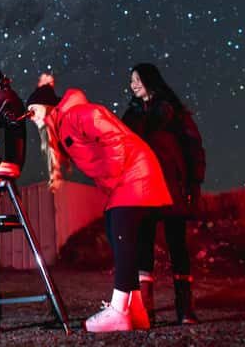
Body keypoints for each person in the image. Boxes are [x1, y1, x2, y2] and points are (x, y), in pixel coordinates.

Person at [25, 73, 173, 332]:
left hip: (132, 173)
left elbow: (113, 138)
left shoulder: (78, 114)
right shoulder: (62, 125)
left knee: (122, 238)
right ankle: (135, 310)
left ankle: (119, 310)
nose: (31, 117)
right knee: (117, 233)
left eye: (33, 110)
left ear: (47, 106)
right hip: (128, 175)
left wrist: (113, 176)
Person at [122, 63, 205, 325]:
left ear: (150, 80)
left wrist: (194, 182)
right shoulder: (130, 116)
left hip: (172, 186)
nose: (133, 84)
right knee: (143, 245)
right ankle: (146, 309)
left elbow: (193, 147)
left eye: (137, 79)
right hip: (142, 187)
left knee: (177, 244)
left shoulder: (174, 112)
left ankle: (185, 308)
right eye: (131, 80)